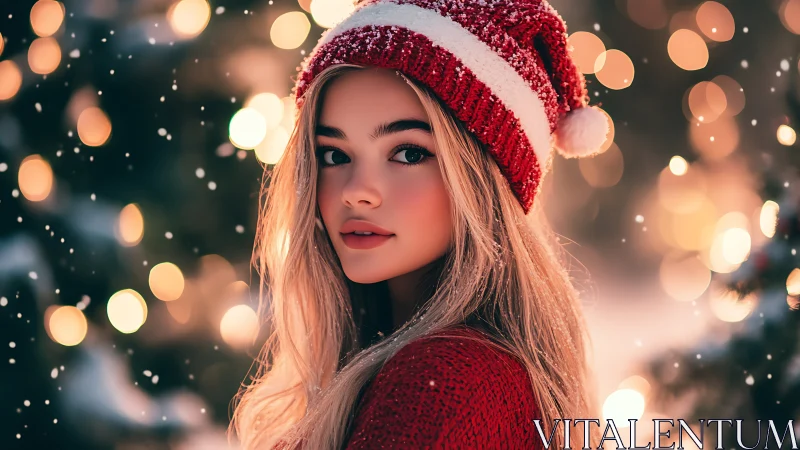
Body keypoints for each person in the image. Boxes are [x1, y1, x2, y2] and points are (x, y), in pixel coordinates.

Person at [230, 0, 610, 448]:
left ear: (483, 181)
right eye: (335, 155)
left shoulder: (446, 385)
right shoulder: (431, 365)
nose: (356, 190)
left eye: (409, 152)